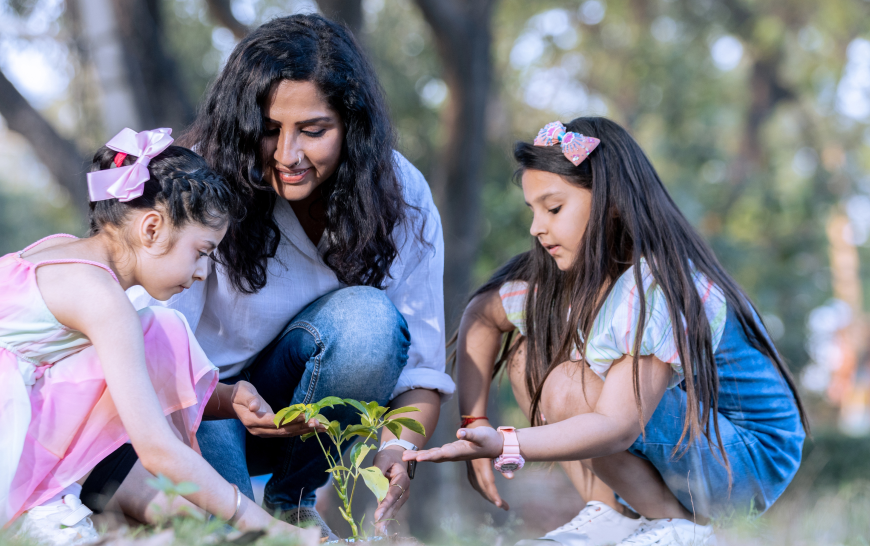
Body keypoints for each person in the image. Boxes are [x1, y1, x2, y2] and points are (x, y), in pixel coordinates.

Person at [123, 14, 453, 539]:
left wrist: (398, 448)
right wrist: (227, 403)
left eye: (313, 131)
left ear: (353, 126)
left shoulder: (401, 195)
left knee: (369, 322)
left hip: (304, 422)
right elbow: (153, 357)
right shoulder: (202, 185)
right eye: (269, 130)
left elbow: (419, 370)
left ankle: (292, 500)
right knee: (234, 534)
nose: (287, 155)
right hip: (198, 409)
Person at [404, 118, 808, 546]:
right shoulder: (561, 279)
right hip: (693, 444)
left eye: (553, 208)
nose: (536, 228)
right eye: (533, 210)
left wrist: (503, 442)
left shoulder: (656, 284)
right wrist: (474, 419)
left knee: (566, 384)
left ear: (610, 202)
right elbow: (483, 316)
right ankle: (609, 513)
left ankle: (679, 528)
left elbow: (616, 425)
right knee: (526, 354)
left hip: (746, 459)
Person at [0, 128, 317, 546]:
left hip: (29, 423)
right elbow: (157, 448)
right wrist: (264, 525)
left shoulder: (60, 252)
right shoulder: (102, 299)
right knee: (157, 329)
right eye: (201, 252)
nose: (203, 272)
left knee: (158, 329)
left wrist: (230, 393)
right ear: (151, 228)